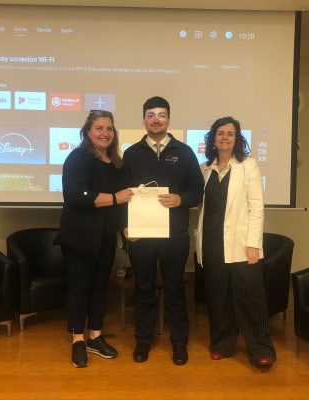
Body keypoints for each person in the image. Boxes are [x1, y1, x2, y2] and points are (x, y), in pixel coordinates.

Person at [123, 96, 203, 365]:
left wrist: (181, 199)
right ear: (144, 120)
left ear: (169, 119)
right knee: (143, 289)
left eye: (161, 115)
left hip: (175, 235)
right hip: (141, 235)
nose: (156, 120)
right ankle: (143, 340)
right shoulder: (131, 154)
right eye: (151, 115)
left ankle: (179, 343)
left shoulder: (185, 152)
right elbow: (123, 194)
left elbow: (197, 190)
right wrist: (126, 226)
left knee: (174, 289)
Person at [55, 110, 133, 368]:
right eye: (99, 128)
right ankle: (78, 339)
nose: (105, 133)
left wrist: (126, 226)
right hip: (80, 236)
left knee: (100, 286)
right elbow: (77, 196)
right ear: (87, 132)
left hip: (106, 236)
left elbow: (125, 202)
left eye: (109, 128)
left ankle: (95, 337)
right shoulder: (78, 157)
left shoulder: (116, 163)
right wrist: (114, 198)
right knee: (79, 287)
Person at [195, 116, 276, 367]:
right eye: (220, 133)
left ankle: (260, 348)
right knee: (218, 296)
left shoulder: (248, 166)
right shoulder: (205, 168)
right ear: (213, 139)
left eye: (230, 133)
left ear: (237, 139)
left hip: (242, 243)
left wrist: (253, 244)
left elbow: (257, 207)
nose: (225, 137)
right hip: (211, 241)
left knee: (250, 296)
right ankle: (222, 343)